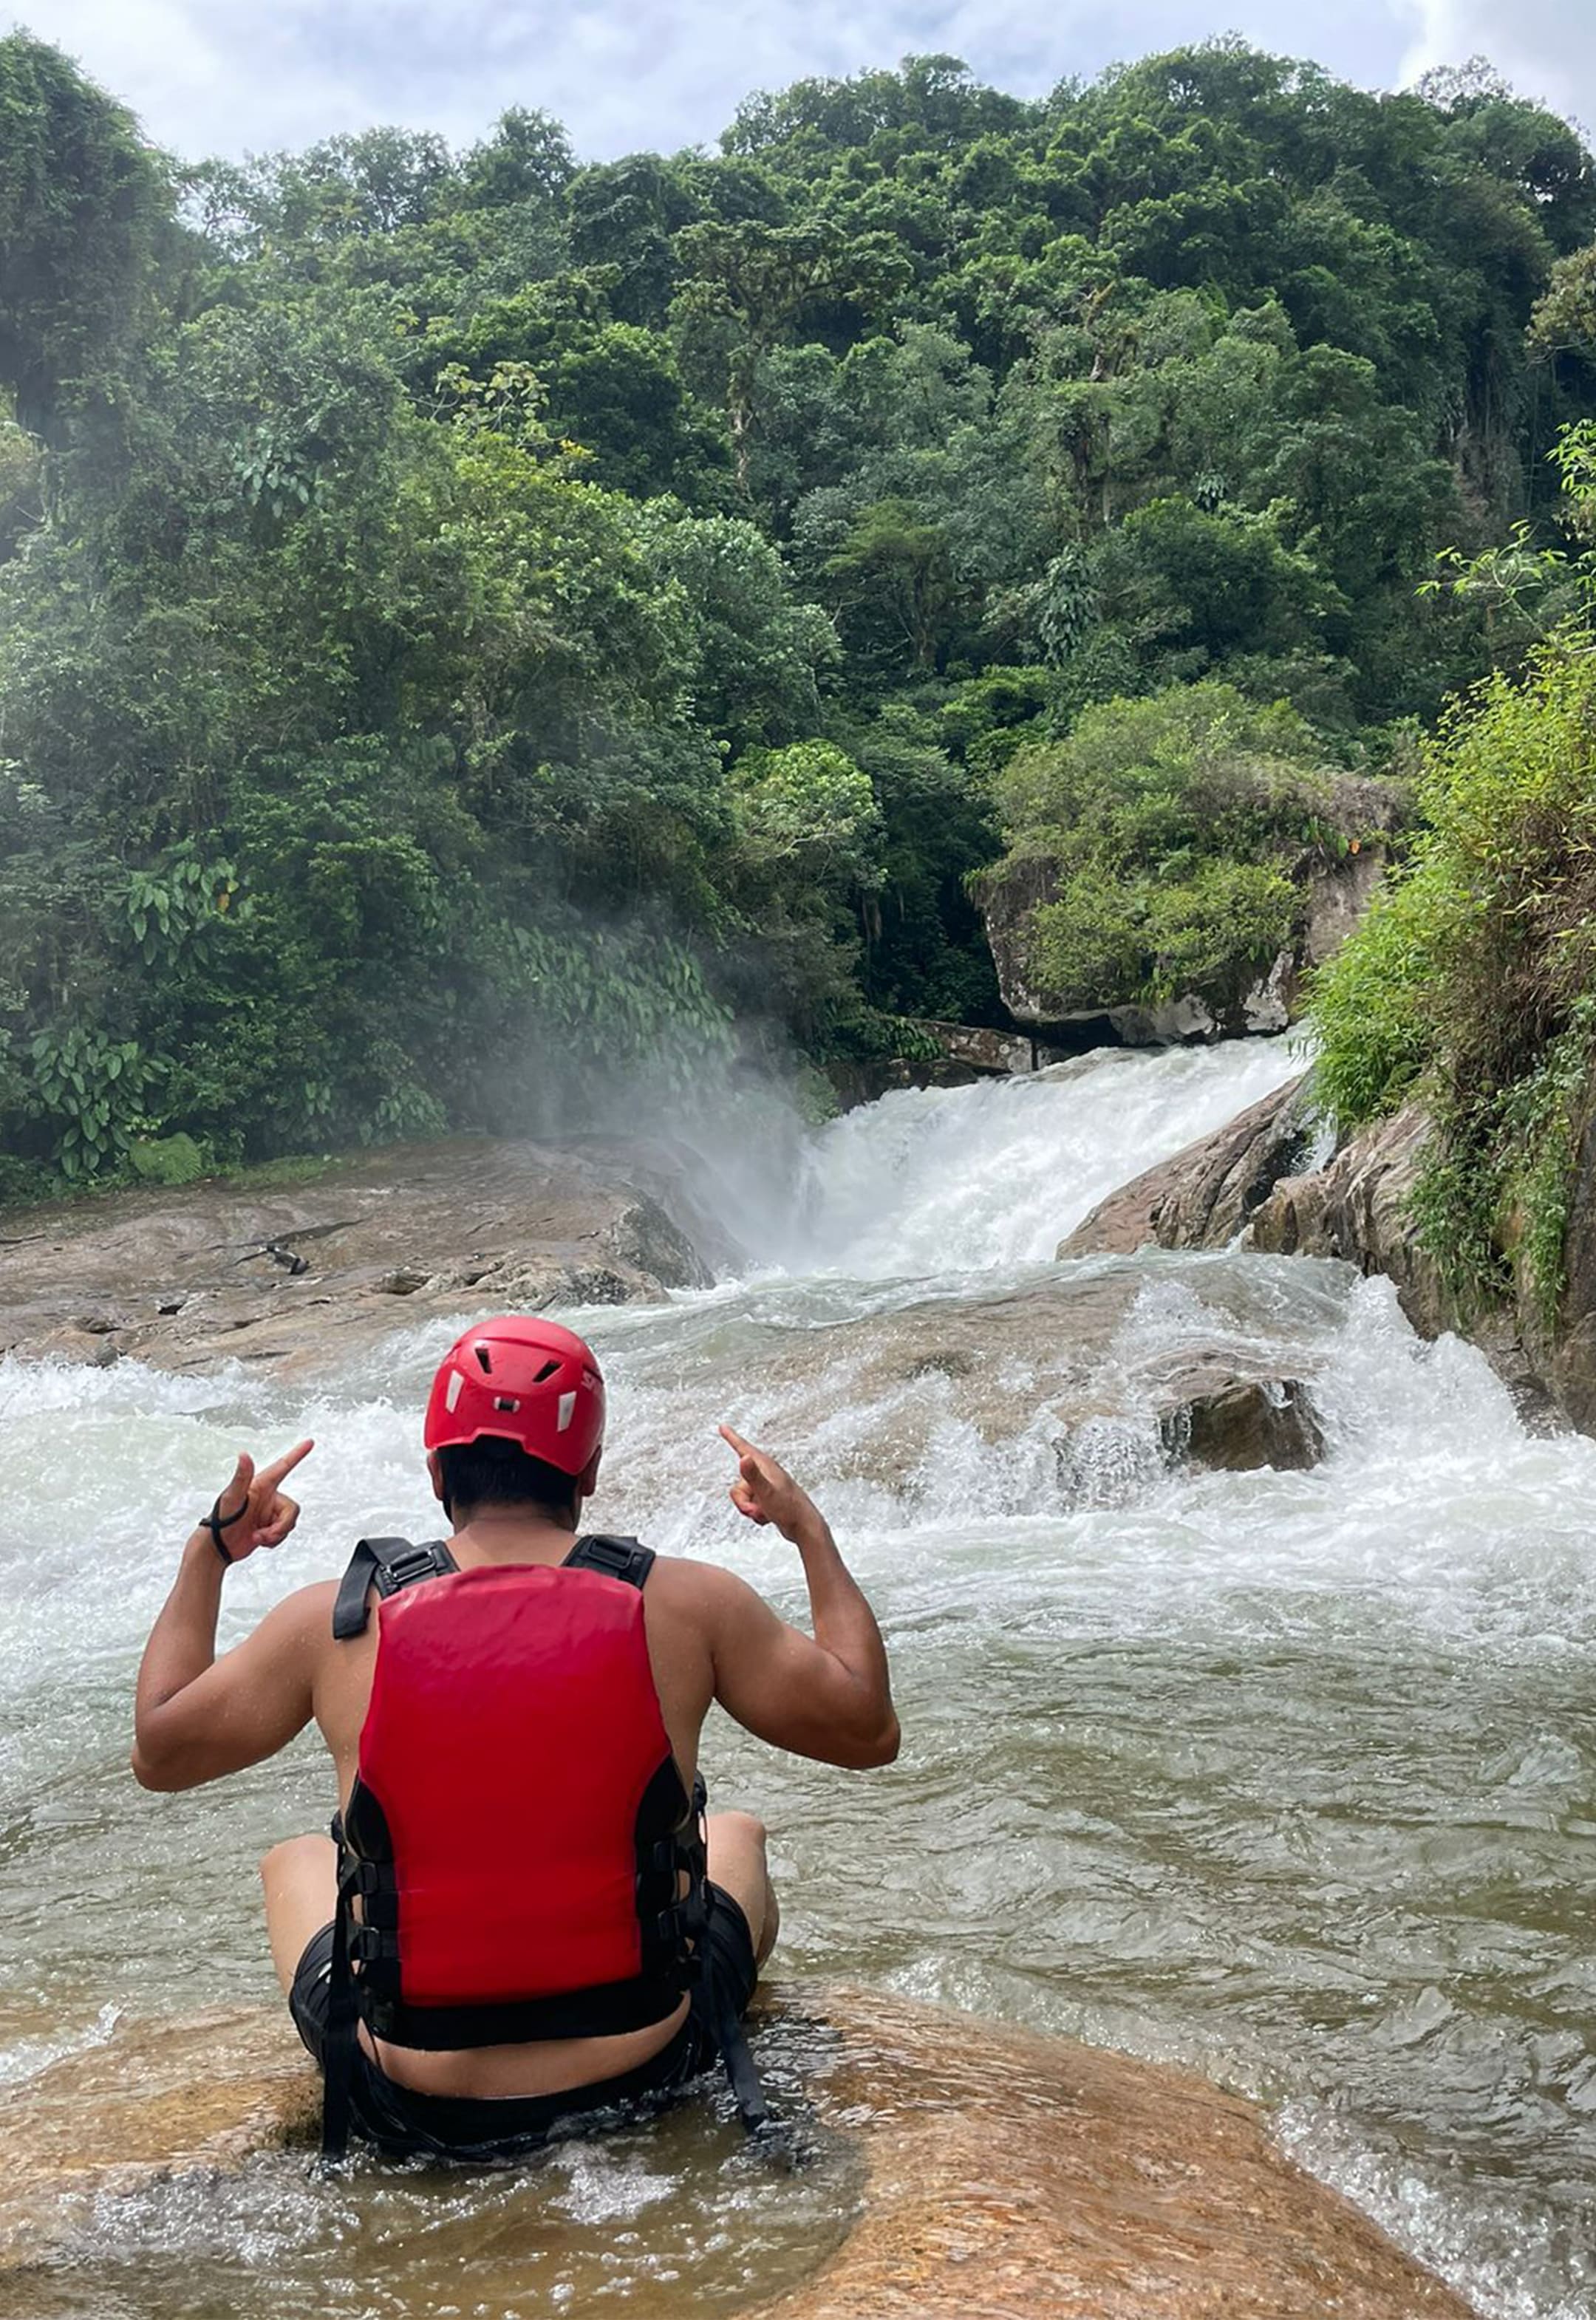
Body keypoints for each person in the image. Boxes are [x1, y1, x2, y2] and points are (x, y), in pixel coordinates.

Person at [131, 1314, 898, 2164]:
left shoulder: (332, 1620)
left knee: (298, 1858)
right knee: (738, 1834)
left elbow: (160, 1749)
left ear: (435, 1468)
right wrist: (807, 1528)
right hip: (644, 2060)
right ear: (590, 1471)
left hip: (408, 2090)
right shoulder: (690, 1603)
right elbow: (867, 1727)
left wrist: (212, 1549)